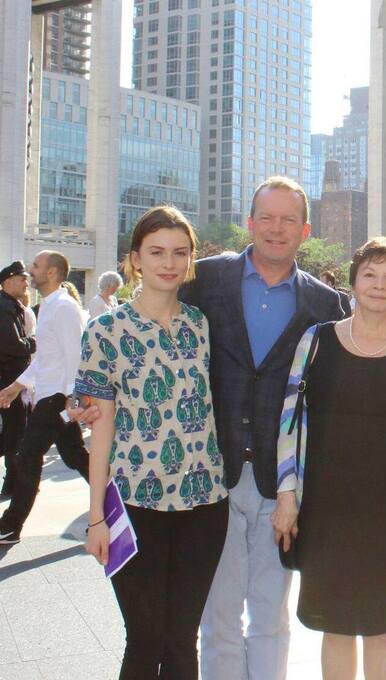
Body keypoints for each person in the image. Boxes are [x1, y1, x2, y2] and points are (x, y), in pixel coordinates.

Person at [182, 177, 349, 680]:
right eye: (267, 218)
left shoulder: (326, 305)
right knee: (219, 619)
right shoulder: (201, 281)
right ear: (250, 222)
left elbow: (331, 397)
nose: (277, 229)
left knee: (271, 619)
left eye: (288, 220)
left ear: (305, 229)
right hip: (213, 477)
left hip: (283, 488)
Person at [79, 205, 229, 679]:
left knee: (184, 641)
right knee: (145, 640)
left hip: (204, 503)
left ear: (191, 261)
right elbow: (99, 431)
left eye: (180, 253)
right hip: (135, 503)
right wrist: (96, 517)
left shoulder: (201, 327)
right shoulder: (105, 331)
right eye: (157, 252)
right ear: (135, 260)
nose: (169, 262)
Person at [272, 238, 386, 680]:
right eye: (370, 274)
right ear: (353, 281)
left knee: (381, 627)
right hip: (325, 508)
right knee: (333, 626)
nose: (379, 285)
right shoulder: (316, 341)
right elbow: (288, 421)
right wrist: (286, 495)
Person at [0, 251, 89, 544]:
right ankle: (122, 508)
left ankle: (10, 526)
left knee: (28, 457)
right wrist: (16, 387)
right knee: (77, 457)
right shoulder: (49, 307)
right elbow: (45, 359)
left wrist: (74, 398)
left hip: (57, 398)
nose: (30, 271)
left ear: (51, 272)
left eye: (35, 266)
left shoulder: (64, 308)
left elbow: (76, 355)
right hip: (51, 396)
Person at [0, 261, 35, 497]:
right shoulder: (5, 307)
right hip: (9, 379)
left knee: (15, 432)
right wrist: (35, 342)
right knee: (15, 432)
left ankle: (12, 482)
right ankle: (12, 483)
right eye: (22, 279)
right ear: (8, 282)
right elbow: (12, 344)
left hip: (13, 378)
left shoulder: (11, 305)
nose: (26, 283)